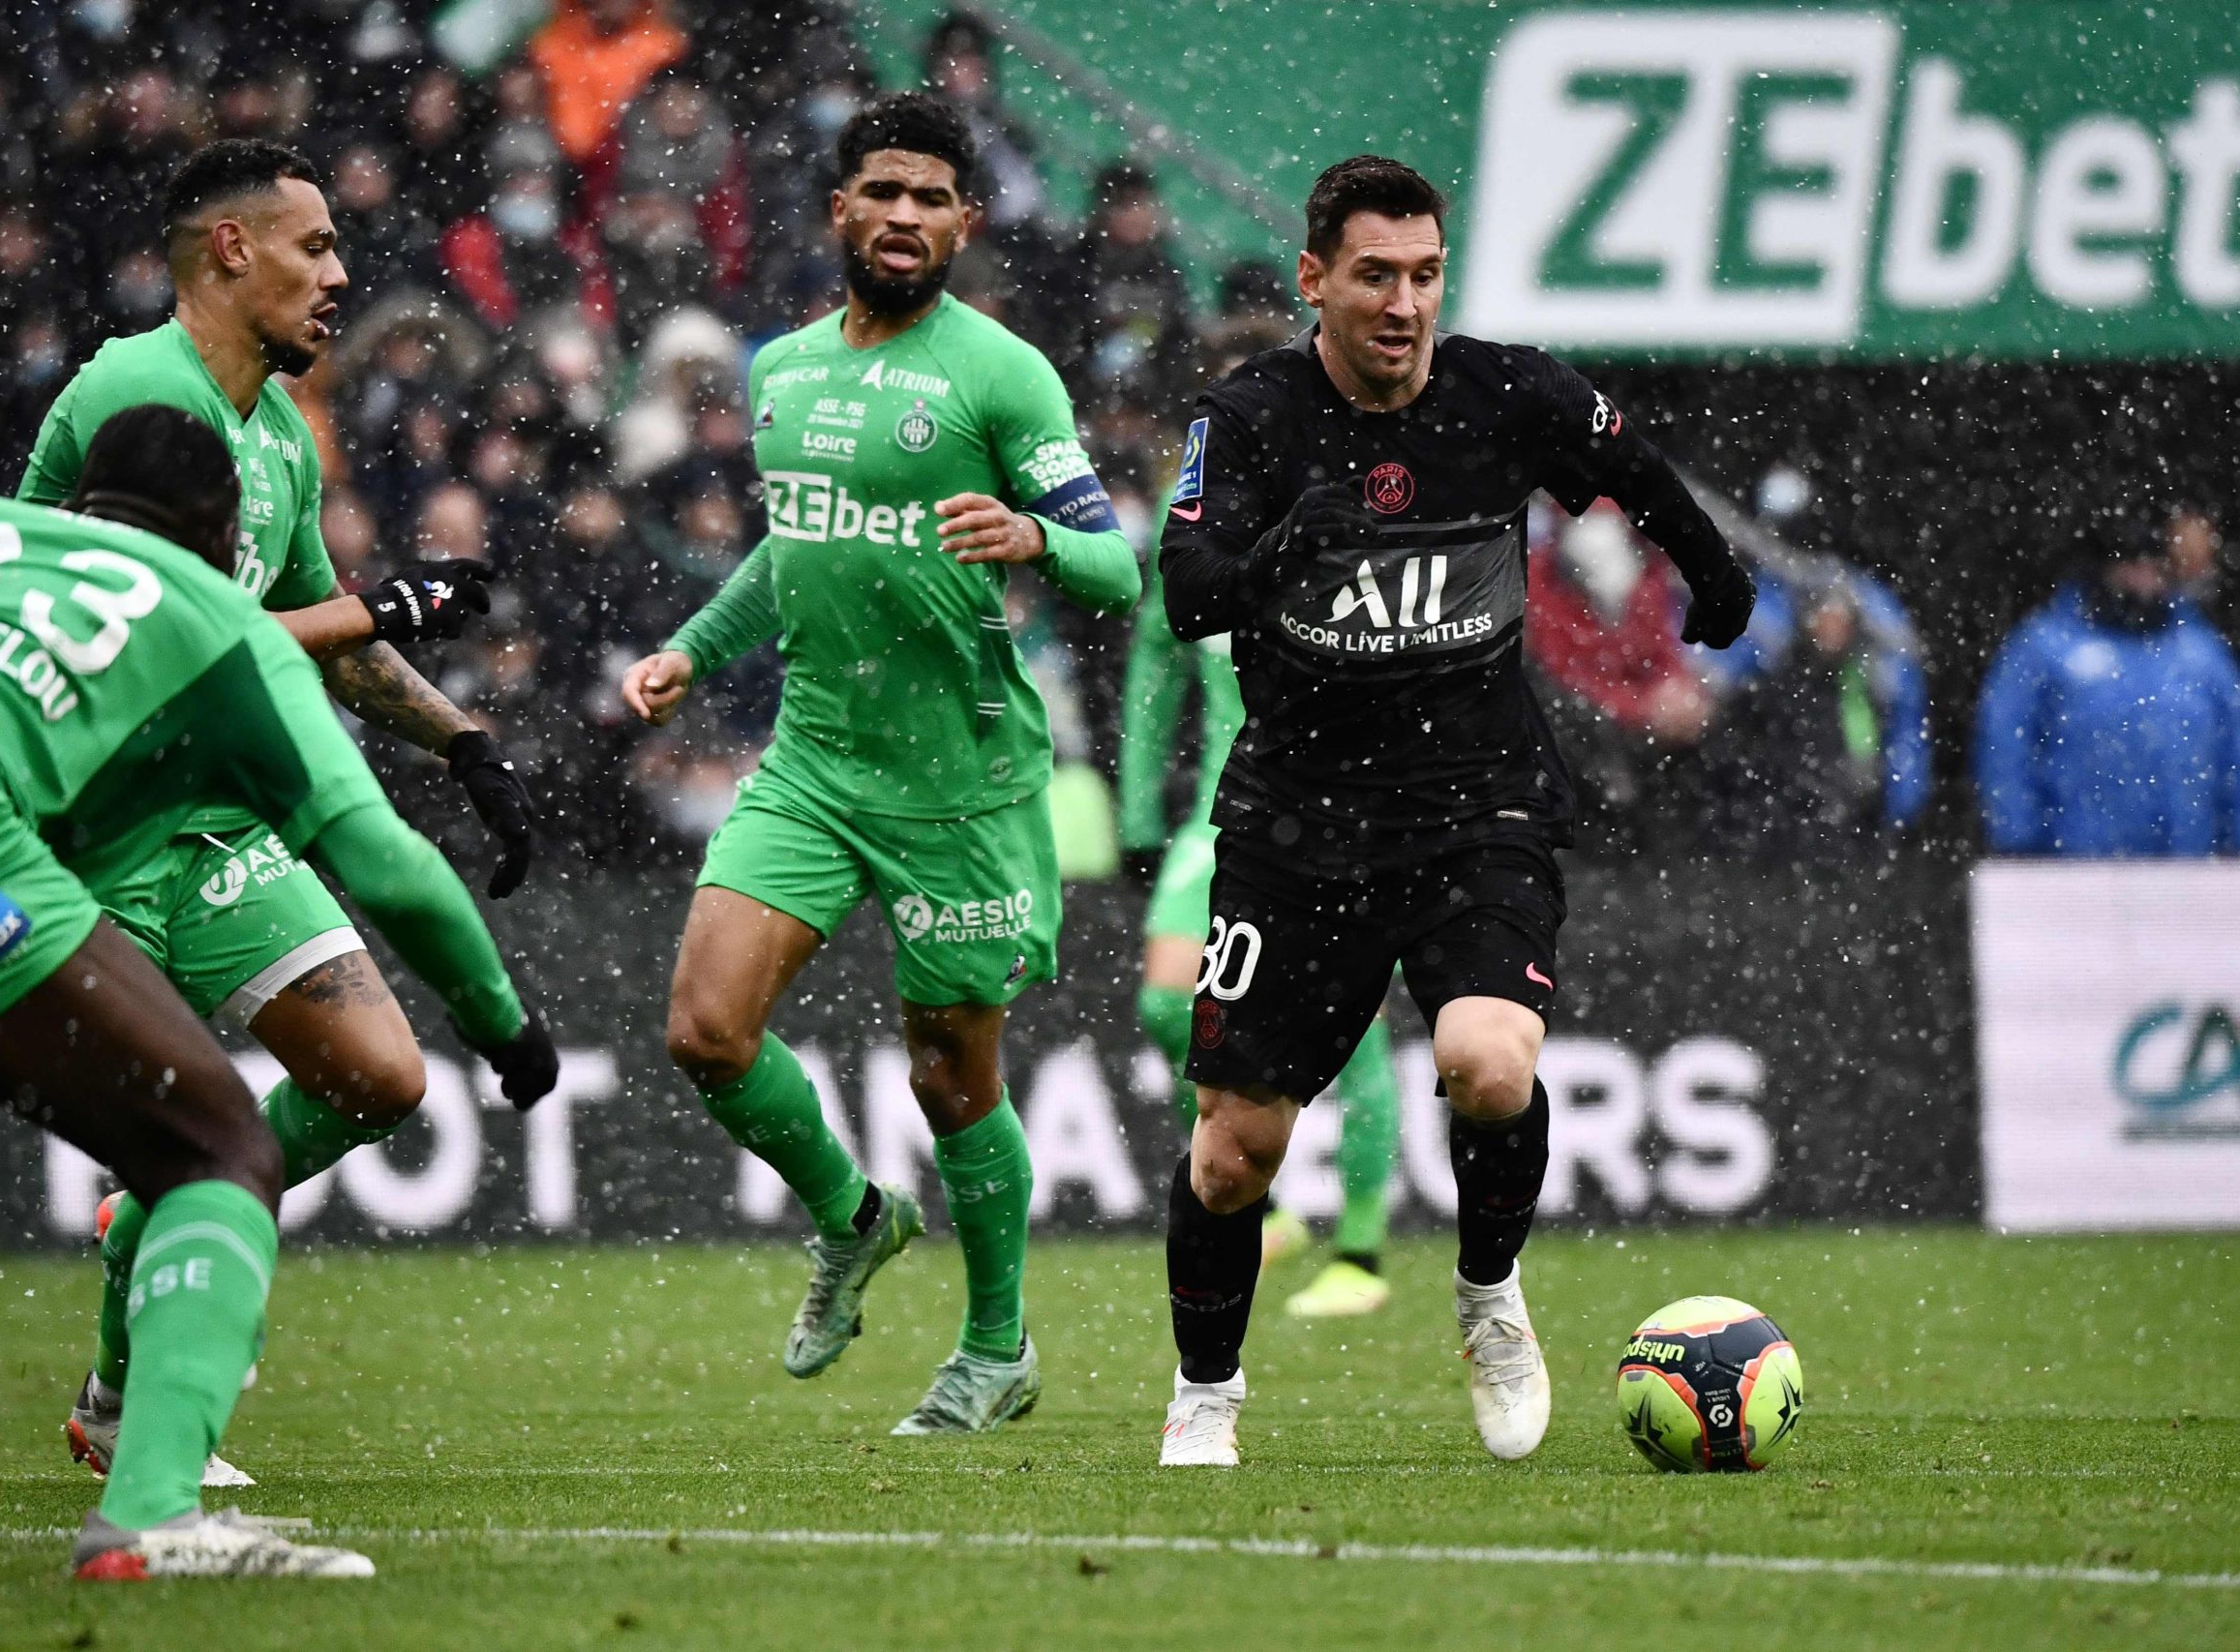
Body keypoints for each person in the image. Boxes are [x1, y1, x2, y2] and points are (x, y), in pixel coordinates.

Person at [1154, 155, 1753, 1466]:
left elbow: (1634, 465)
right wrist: (1275, 554)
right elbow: (1185, 585)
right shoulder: (1251, 413)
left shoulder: (1508, 390)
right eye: (1376, 274)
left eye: (1425, 273)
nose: (1405, 301)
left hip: (1478, 798)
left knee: (1489, 1060)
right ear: (1315, 279)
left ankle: (1488, 1293)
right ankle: (1206, 1391)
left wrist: (1713, 573)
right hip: (1297, 826)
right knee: (1232, 1154)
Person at [16, 139, 550, 1481]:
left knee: (378, 1076)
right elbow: (163, 628)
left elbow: (315, 638)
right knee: (204, 1135)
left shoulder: (279, 439)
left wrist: (460, 736)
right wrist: (386, 601)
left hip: (212, 825)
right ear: (231, 250)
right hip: (83, 835)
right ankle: (131, 1412)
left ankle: (139, 1259)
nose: (341, 273)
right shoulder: (136, 395)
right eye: (315, 248)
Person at [620, 94, 1138, 1435]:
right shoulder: (780, 368)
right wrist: (689, 645)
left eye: (932, 197)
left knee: (949, 1074)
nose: (906, 216)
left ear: (965, 222)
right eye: (883, 192)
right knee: (705, 1031)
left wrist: (1030, 537)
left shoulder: (1003, 374)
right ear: (839, 209)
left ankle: (996, 1343)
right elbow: (794, 546)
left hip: (957, 781)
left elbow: (1114, 560)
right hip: (813, 759)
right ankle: (853, 1216)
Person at [1121, 358, 1402, 1322]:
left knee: (1354, 1032)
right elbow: (1155, 661)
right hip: (1221, 815)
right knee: (1168, 1007)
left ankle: (1360, 1250)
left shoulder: (1351, 521)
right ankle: (1266, 1201)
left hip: (1340, 818)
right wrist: (1134, 818)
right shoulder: (1196, 536)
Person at [1975, 512, 2240, 857]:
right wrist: (2017, 840)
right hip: (2073, 870)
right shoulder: (2045, 647)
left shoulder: (2202, 654)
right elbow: (2006, 743)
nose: (2142, 579)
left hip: (2187, 869)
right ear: (2100, 569)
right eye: (2129, 565)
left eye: (2153, 567)